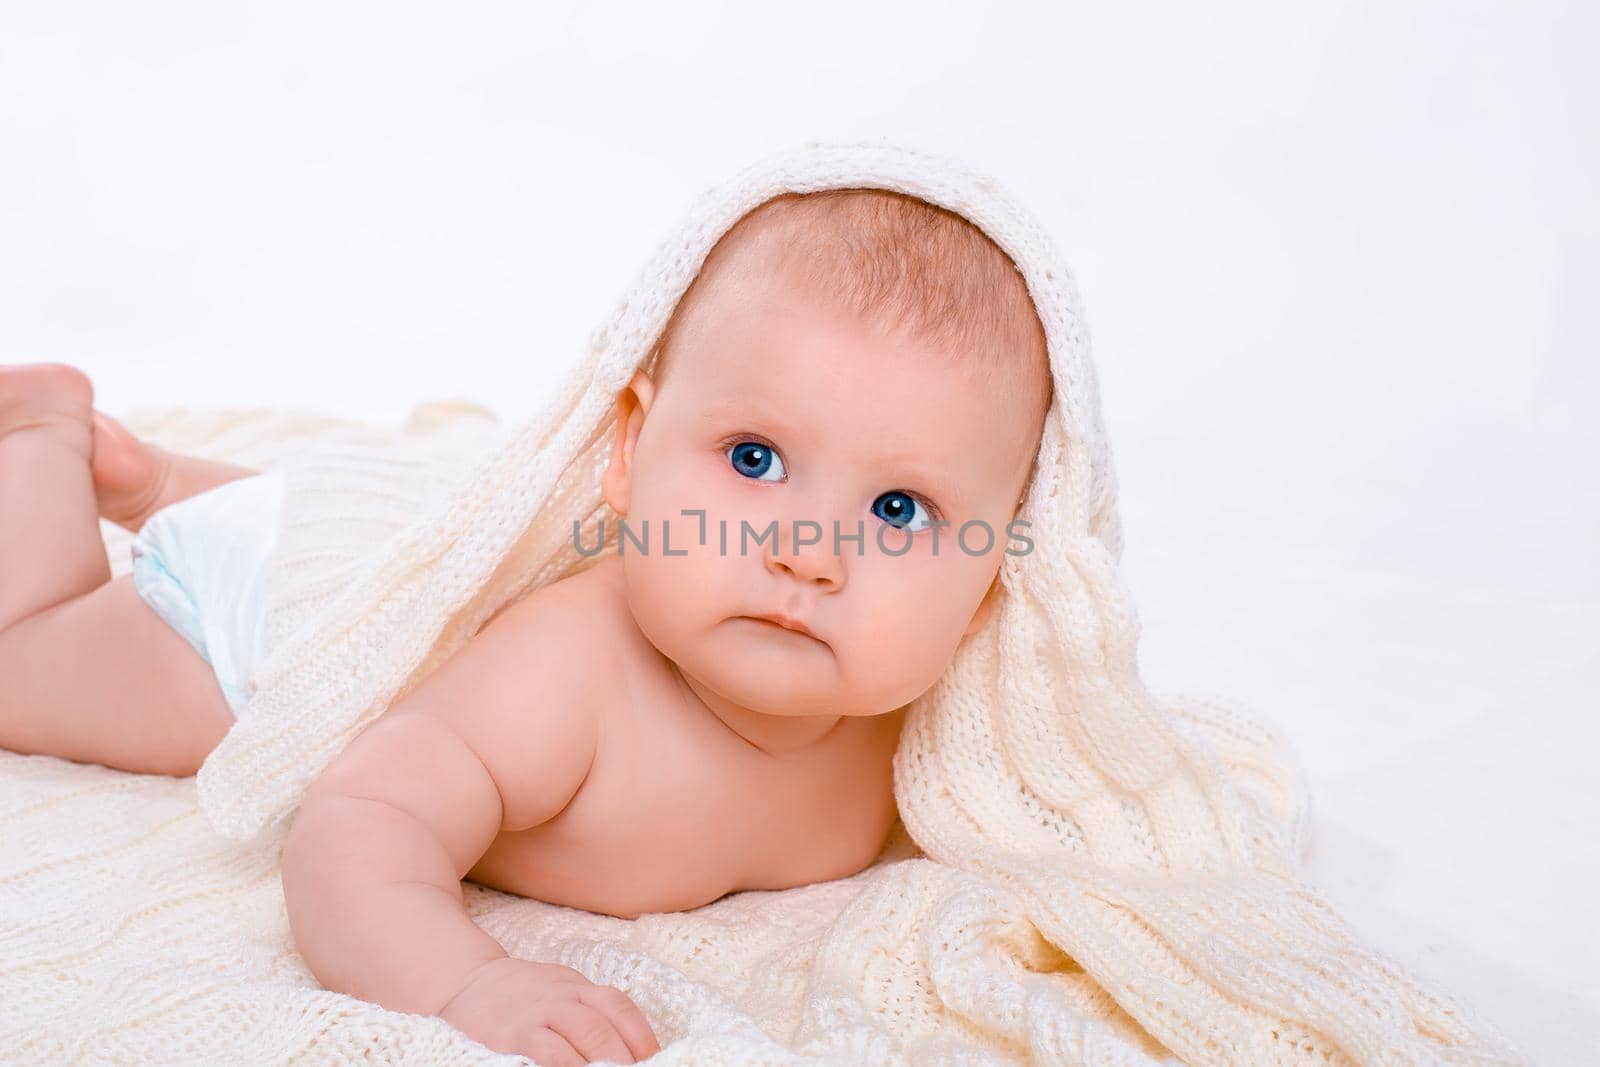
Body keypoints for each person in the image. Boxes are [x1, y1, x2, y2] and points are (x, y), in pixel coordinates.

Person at [0, 187, 1050, 1066]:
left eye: (899, 510)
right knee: (21, 667)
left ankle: (167, 480)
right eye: (753, 459)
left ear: (988, 588)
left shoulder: (929, 754)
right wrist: (465, 981)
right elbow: (357, 818)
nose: (810, 552)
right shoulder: (564, 681)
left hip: (392, 518)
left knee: (396, 509)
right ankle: (42, 436)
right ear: (629, 452)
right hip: (282, 607)